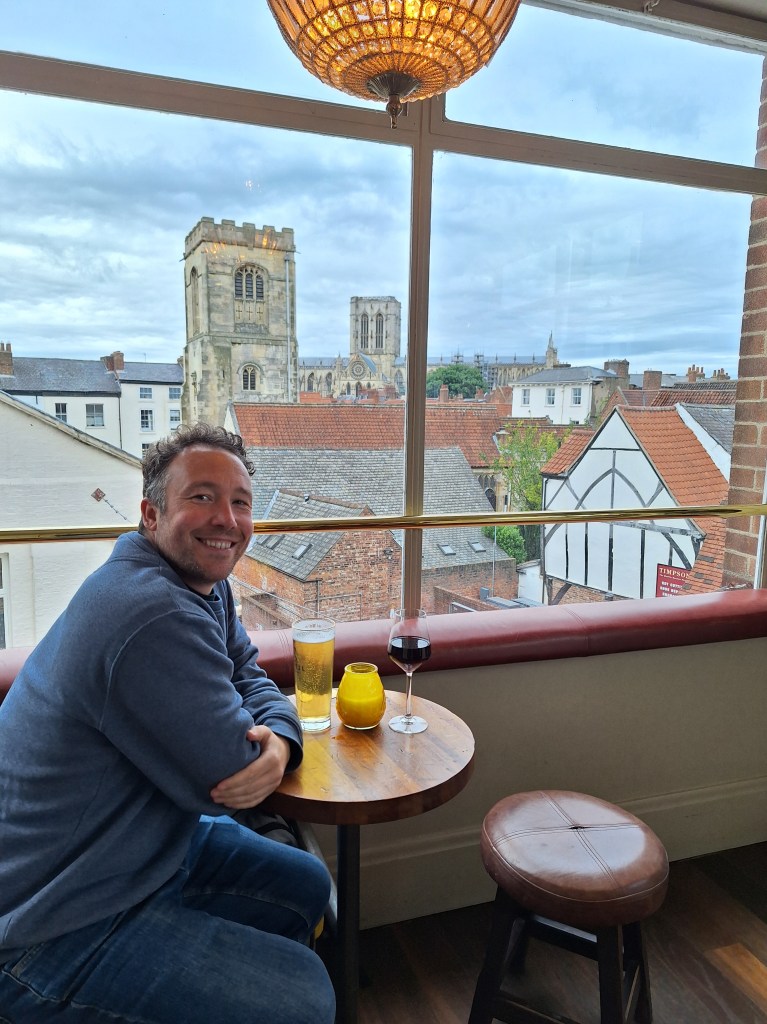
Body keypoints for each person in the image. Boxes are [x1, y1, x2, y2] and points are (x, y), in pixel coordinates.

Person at [0, 423, 335, 1024]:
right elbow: (229, 772)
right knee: (305, 999)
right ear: (151, 515)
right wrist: (262, 745)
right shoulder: (148, 611)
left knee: (307, 885)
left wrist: (282, 740)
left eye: (240, 501)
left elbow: (248, 674)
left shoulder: (202, 585)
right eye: (201, 497)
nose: (226, 519)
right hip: (49, 917)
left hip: (137, 852)